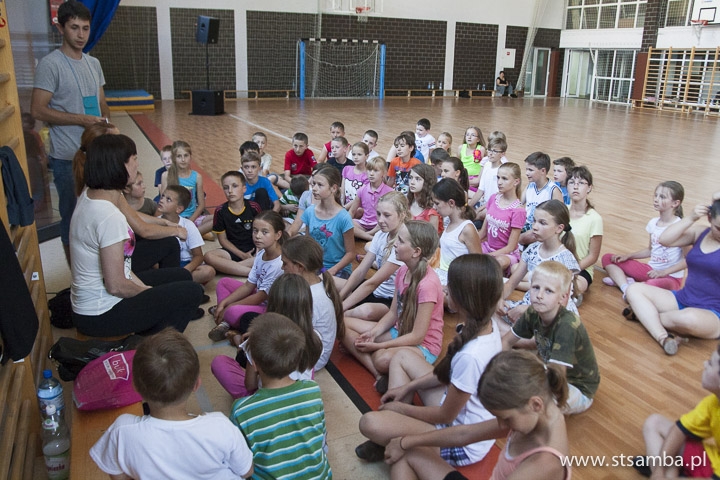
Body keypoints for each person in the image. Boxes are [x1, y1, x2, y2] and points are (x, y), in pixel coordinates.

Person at [355, 254, 503, 468]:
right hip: (452, 410)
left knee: (369, 422)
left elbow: (445, 416)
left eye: (449, 286)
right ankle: (397, 428)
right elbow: (444, 374)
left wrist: (401, 409)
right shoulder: (484, 325)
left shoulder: (471, 355)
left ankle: (396, 432)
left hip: (458, 439)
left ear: (461, 297)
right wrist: (409, 387)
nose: (445, 289)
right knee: (402, 356)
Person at [70, 134, 203, 337]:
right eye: (134, 159)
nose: (137, 164)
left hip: (99, 301)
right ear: (119, 166)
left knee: (182, 276)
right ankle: (152, 347)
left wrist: (152, 293)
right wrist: (150, 293)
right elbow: (116, 286)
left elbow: (123, 267)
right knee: (192, 292)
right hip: (100, 313)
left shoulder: (94, 192)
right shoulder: (108, 216)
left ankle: (155, 327)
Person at [90, 328, 254, 479]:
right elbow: (247, 471)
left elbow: (117, 474)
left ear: (135, 387)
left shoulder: (122, 431)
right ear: (196, 384)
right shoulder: (220, 425)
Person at [383, 350, 569, 480]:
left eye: (505, 418)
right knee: (407, 452)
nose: (501, 425)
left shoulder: (545, 463)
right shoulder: (538, 414)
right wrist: (405, 442)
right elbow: (465, 433)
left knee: (405, 453)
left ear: (535, 404)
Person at [31, 0, 110, 264]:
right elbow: (38, 110)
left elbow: (102, 103)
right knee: (73, 216)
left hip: (96, 154)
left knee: (99, 213)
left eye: (85, 28)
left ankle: (100, 266)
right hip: (67, 157)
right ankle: (76, 273)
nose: (80, 34)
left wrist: (108, 128)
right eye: (74, 27)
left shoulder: (94, 63)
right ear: (60, 28)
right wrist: (81, 119)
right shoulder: (50, 64)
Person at [343, 221, 443, 393]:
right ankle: (379, 374)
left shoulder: (428, 284)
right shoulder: (403, 271)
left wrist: (377, 346)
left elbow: (417, 336)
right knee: (342, 323)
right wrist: (373, 334)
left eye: (401, 241)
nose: (395, 243)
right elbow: (393, 313)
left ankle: (377, 362)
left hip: (423, 345)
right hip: (399, 331)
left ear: (416, 252)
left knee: (381, 358)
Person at [229, 313, 332, 479]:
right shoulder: (312, 390)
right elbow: (321, 440)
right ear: (297, 360)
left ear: (254, 363)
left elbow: (241, 464)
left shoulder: (241, 410)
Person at [625, 195, 720, 356]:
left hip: (713, 313)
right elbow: (665, 240)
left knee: (688, 319)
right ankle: (662, 337)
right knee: (634, 289)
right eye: (718, 228)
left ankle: (645, 315)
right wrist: (691, 217)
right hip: (682, 299)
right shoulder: (700, 233)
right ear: (709, 218)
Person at [503, 261, 599, 414]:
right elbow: (506, 341)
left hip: (575, 386)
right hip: (548, 368)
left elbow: (557, 375)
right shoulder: (532, 312)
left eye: (548, 291)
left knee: (529, 402)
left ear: (563, 297)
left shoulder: (567, 325)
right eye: (536, 287)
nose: (539, 295)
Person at [211, 275, 323, 399]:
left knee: (219, 362)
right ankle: (238, 343)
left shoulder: (258, 338)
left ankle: (239, 345)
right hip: (303, 397)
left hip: (267, 399)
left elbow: (250, 385)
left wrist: (251, 345)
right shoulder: (315, 337)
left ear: (272, 304)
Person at [637, 345, 720, 478]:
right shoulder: (712, 402)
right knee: (655, 422)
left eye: (710, 363)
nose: (704, 364)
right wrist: (659, 469)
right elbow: (679, 430)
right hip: (712, 461)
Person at [208, 211, 286, 341]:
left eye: (265, 232)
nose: (258, 236)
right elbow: (249, 285)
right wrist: (225, 303)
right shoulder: (261, 254)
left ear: (278, 235)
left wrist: (230, 306)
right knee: (223, 283)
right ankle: (224, 317)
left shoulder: (279, 263)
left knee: (232, 312)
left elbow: (260, 297)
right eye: (255, 230)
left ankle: (226, 322)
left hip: (269, 307)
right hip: (258, 295)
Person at [501, 200, 581, 325]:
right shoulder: (532, 249)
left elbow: (561, 304)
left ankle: (516, 334)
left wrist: (527, 310)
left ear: (559, 228)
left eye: (542, 223)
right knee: (489, 310)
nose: (534, 227)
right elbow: (511, 284)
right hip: (531, 306)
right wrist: (499, 299)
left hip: (553, 316)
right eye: (534, 221)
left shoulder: (565, 259)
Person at [602, 181, 686, 298]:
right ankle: (626, 288)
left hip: (670, 278)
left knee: (650, 285)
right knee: (608, 258)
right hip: (651, 271)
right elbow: (650, 250)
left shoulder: (681, 227)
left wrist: (663, 272)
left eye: (662, 197)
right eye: (656, 195)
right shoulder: (653, 223)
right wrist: (628, 256)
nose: (656, 199)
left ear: (675, 203)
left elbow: (688, 260)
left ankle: (627, 283)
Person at [338, 191, 408, 322]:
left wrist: (340, 308)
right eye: (378, 214)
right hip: (376, 290)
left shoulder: (403, 243)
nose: (380, 220)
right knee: (327, 281)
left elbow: (373, 282)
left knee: (365, 311)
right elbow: (360, 271)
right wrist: (339, 299)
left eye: (387, 215)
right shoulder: (380, 235)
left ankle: (342, 317)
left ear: (402, 214)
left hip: (390, 300)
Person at [280, 235, 344, 370]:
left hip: (309, 360)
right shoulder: (313, 284)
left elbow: (293, 335)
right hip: (306, 350)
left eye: (285, 263)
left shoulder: (311, 297)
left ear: (300, 266)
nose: (282, 268)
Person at [203, 171, 262, 277]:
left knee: (272, 254)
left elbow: (260, 233)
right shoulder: (220, 211)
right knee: (208, 256)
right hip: (232, 250)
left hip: (254, 249)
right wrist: (242, 255)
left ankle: (230, 268)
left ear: (244, 188)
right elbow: (223, 240)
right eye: (226, 188)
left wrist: (258, 251)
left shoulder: (254, 207)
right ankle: (250, 273)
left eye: (235, 186)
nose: (230, 191)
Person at [301, 166, 355, 279]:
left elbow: (350, 254)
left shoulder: (343, 217)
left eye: (320, 185)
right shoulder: (310, 212)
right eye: (314, 184)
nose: (314, 188)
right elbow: (308, 244)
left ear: (333, 188)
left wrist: (332, 271)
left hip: (338, 269)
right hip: (316, 266)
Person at [156, 185, 215, 285]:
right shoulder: (155, 223)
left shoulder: (188, 225)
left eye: (168, 199)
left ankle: (175, 282)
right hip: (165, 266)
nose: (161, 200)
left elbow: (198, 256)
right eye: (162, 196)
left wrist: (185, 270)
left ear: (179, 209)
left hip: (185, 264)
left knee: (208, 271)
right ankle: (181, 283)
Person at [432, 178, 482, 287]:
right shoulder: (449, 223)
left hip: (458, 282)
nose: (434, 208)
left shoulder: (467, 229)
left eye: (437, 203)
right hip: (444, 276)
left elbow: (478, 264)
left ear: (451, 203)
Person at [477, 163, 526, 271]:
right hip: (487, 247)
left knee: (498, 262)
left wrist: (489, 256)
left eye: (504, 179)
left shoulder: (518, 210)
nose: (499, 182)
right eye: (498, 178)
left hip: (506, 254)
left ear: (516, 182)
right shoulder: (494, 198)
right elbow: (483, 233)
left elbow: (511, 247)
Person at [567, 166, 603, 300]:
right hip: (558, 263)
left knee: (573, 285)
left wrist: (571, 270)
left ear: (589, 188)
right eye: (572, 182)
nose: (576, 187)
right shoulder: (562, 211)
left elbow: (593, 256)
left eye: (581, 183)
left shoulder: (595, 219)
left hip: (581, 269)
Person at [518, 152, 563, 246]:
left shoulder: (553, 190)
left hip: (541, 230)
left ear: (543, 171)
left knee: (514, 240)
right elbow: (518, 204)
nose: (526, 173)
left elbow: (560, 217)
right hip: (527, 225)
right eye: (526, 169)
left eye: (530, 170)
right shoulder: (530, 186)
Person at [348, 156, 393, 241]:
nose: (371, 173)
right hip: (364, 223)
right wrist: (346, 223)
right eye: (369, 170)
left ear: (383, 174)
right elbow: (352, 211)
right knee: (349, 223)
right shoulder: (362, 190)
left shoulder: (390, 192)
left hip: (380, 225)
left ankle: (362, 235)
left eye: (376, 171)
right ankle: (370, 237)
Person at [469, 135, 508, 222]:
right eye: (489, 150)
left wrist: (478, 210)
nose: (490, 153)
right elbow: (480, 190)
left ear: (503, 154)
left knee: (482, 214)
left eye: (495, 151)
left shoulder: (502, 171)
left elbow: (497, 197)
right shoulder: (486, 165)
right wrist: (468, 206)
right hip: (484, 203)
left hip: (494, 205)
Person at [408, 163, 441, 235]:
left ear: (427, 182)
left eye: (417, 179)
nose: (412, 182)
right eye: (410, 177)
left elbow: (433, 238)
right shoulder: (406, 202)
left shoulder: (433, 211)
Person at [342, 141, 369, 207]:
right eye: (353, 154)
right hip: (344, 206)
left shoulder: (368, 175)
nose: (356, 157)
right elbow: (343, 190)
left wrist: (344, 208)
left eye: (359, 154)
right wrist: (341, 204)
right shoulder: (346, 169)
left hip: (358, 208)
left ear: (367, 156)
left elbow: (359, 198)